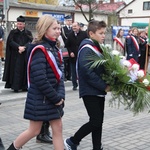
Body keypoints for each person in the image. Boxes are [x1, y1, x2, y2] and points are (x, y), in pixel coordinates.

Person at [7, 15, 65, 150]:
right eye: (55, 28)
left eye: (59, 28)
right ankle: (13, 148)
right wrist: (56, 98)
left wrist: (61, 94)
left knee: (58, 129)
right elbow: (40, 79)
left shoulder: (54, 48)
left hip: (53, 98)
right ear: (45, 29)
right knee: (34, 131)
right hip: (41, 99)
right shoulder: (39, 49)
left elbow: (60, 76)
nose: (58, 31)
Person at [64, 20, 110, 150]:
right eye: (100, 33)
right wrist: (104, 86)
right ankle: (72, 141)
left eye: (104, 33)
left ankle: (97, 147)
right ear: (91, 33)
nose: (103, 36)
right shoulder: (87, 48)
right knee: (95, 121)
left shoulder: (96, 47)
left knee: (98, 122)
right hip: (90, 91)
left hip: (97, 91)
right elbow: (87, 72)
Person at [2, 15, 33, 92]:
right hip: (15, 55)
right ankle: (15, 87)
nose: (19, 25)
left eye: (21, 24)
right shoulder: (13, 32)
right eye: (18, 24)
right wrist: (18, 47)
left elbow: (30, 42)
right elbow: (10, 42)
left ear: (24, 24)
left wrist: (24, 47)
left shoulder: (28, 33)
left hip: (25, 55)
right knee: (16, 70)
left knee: (24, 70)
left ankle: (24, 86)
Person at [65, 22, 88, 90]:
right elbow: (67, 45)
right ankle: (74, 84)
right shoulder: (70, 35)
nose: (74, 28)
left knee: (82, 70)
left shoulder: (84, 34)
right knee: (73, 71)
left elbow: (87, 43)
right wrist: (70, 52)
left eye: (75, 26)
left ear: (78, 26)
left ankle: (83, 83)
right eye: (73, 26)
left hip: (82, 55)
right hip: (73, 56)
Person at [61, 15, 73, 81]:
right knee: (65, 62)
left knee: (70, 62)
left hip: (71, 47)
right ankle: (65, 75)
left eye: (70, 21)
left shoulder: (72, 29)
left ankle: (69, 76)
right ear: (65, 21)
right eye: (68, 21)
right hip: (65, 47)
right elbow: (63, 37)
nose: (69, 22)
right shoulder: (63, 29)